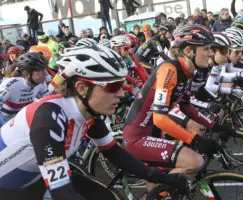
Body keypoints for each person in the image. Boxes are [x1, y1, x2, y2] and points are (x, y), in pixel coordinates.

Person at [0, 45, 188, 199]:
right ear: (82, 87)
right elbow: (61, 192)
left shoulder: (88, 115)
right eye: (113, 86)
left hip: (34, 180)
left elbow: (115, 153)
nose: (122, 93)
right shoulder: (49, 117)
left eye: (122, 85)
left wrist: (163, 178)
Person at [123, 25, 230, 185]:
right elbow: (159, 118)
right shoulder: (170, 69)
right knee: (195, 161)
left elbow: (186, 106)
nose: (210, 53)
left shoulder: (188, 72)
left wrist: (213, 125)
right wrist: (194, 139)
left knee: (157, 185)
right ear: (189, 51)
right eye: (207, 48)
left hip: (152, 134)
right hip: (138, 137)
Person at [0, 53, 49, 126]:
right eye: (41, 70)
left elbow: (48, 100)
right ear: (26, 74)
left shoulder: (41, 83)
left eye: (45, 69)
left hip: (22, 122)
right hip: (5, 122)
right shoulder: (9, 85)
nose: (46, 74)